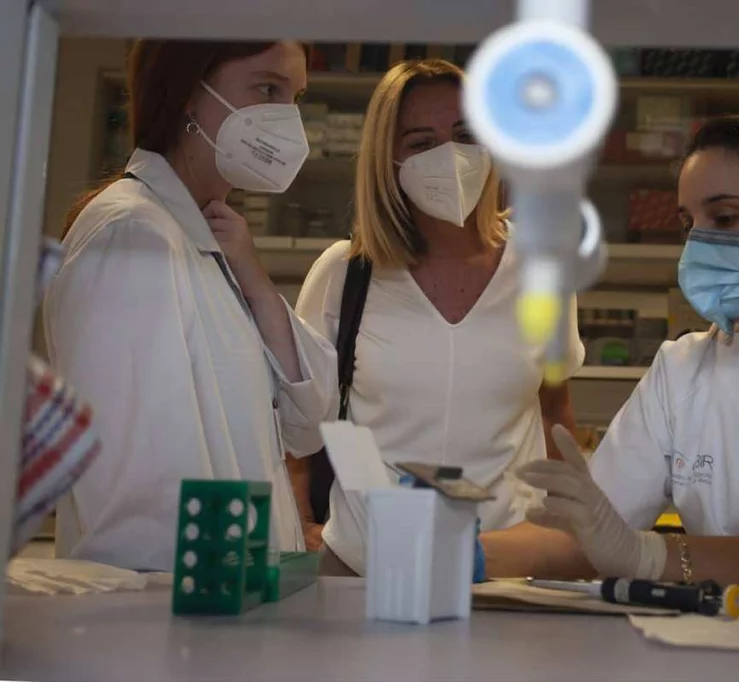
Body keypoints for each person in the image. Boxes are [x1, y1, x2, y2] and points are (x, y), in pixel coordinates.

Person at [480, 114, 739, 601]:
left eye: (725, 217)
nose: (699, 242)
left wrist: (649, 556)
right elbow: (586, 536)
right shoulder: (682, 369)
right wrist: (455, 555)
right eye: (690, 223)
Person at [44, 40, 338, 571]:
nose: (286, 120)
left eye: (295, 96)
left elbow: (309, 419)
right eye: (267, 88)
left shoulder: (203, 239)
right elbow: (140, 508)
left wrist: (255, 279)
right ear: (187, 92)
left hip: (226, 619)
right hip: (171, 630)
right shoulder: (132, 235)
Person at [293, 59, 584, 575]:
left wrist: (568, 531)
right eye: (421, 142)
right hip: (363, 564)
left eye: (464, 134)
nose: (449, 157)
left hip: (505, 564)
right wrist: (301, 523)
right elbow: (300, 422)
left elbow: (554, 409)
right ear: (388, 159)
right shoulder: (345, 273)